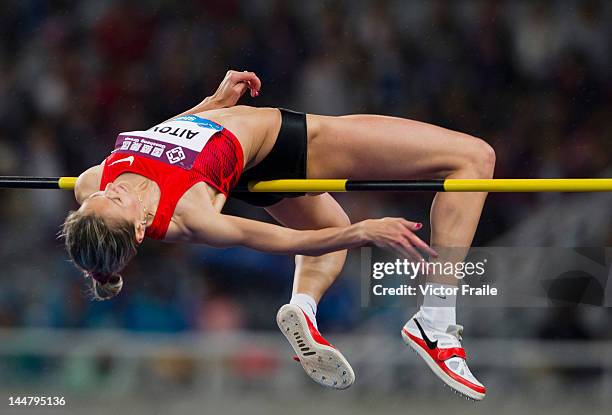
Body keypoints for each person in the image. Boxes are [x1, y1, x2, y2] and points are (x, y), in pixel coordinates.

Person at [61, 70, 494, 400]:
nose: (112, 189)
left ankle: (303, 306)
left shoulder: (91, 183)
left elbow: (155, 142)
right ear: (139, 229)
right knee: (473, 158)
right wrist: (363, 232)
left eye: (103, 196)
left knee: (330, 223)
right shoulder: (191, 215)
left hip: (249, 155)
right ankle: (436, 323)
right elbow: (281, 242)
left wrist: (210, 103)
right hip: (291, 143)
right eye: (116, 201)